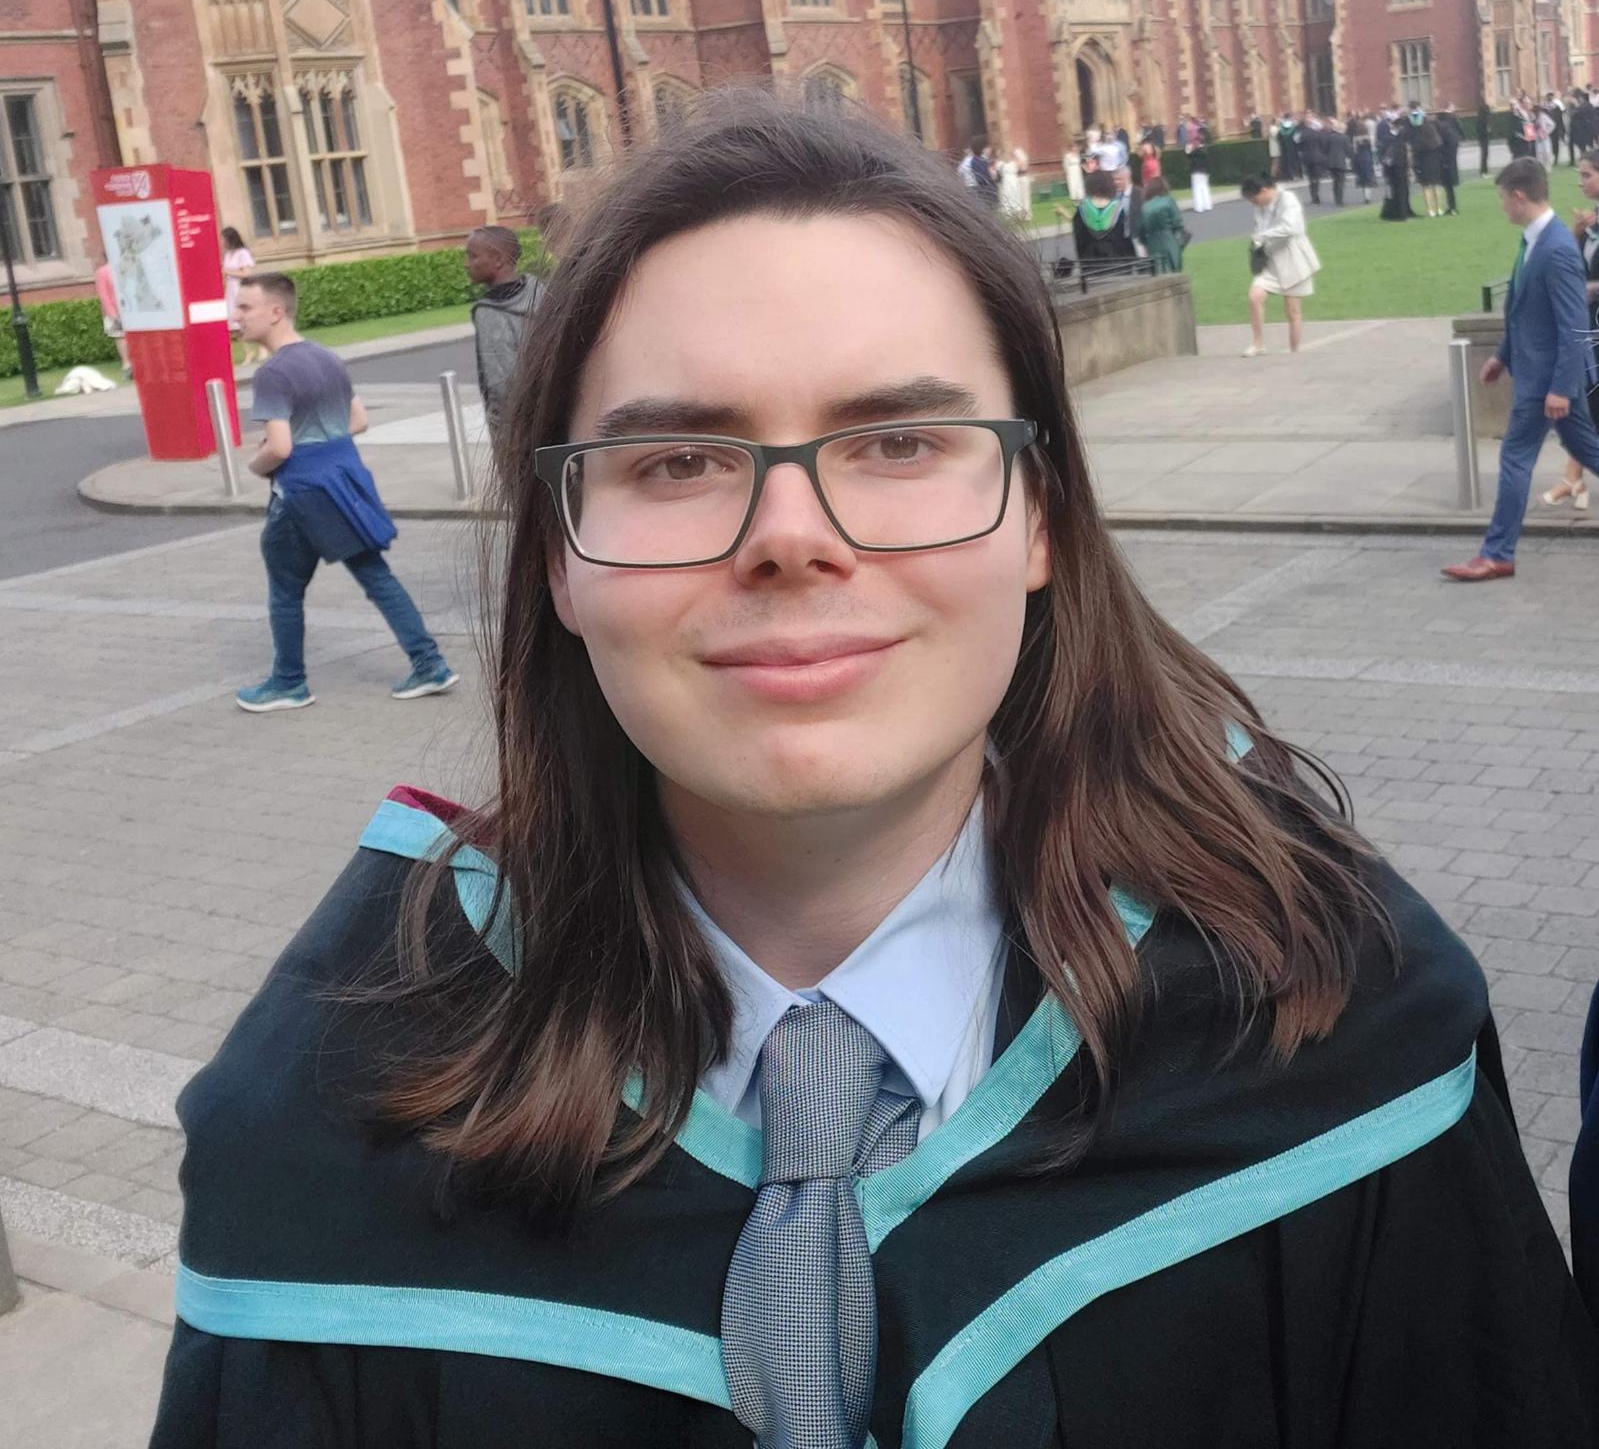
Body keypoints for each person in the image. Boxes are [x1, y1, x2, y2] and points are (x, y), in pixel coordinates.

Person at [148, 90, 1599, 1449]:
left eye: (900, 438)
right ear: (560, 559)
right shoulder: (327, 1142)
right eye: (675, 462)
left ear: (1039, 520)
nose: (791, 532)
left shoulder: (1332, 1032)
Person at [232, 272, 459, 710]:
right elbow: (358, 421)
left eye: (245, 307)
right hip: (345, 481)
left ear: (275, 312)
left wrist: (255, 463)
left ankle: (288, 683)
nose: (236, 316)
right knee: (376, 575)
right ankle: (430, 663)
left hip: (301, 493)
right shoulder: (326, 357)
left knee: (285, 589)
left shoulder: (273, 373)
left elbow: (278, 447)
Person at [1443, 159, 1599, 581]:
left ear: (1518, 196)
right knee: (1589, 451)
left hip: (1547, 382)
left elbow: (1574, 326)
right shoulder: (1536, 241)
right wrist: (1501, 355)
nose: (1501, 208)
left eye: (1502, 199)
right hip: (1538, 373)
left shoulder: (1557, 248)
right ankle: (1498, 552)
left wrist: (1562, 388)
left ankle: (1497, 554)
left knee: (1514, 458)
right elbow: (1522, 312)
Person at [1538, 145, 1599, 511]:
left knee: (1588, 406)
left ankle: (1572, 479)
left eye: (1586, 174)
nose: (1580, 182)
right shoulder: (1592, 221)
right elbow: (1579, 271)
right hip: (1589, 330)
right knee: (1589, 405)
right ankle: (1573, 479)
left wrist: (1592, 289)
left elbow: (1588, 282)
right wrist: (1577, 234)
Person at [466, 224, 543, 450]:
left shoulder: (489, 313)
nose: (466, 264)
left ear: (498, 260)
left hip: (518, 437)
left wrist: (505, 442)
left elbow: (501, 387)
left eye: (473, 256)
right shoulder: (545, 295)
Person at [1241, 175, 1320, 358]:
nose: (1254, 203)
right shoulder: (1259, 208)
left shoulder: (1287, 199)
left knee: (1292, 311)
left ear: (1264, 190)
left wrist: (1262, 237)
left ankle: (1294, 352)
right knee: (1255, 296)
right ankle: (1258, 343)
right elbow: (1259, 230)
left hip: (1293, 257)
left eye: (1254, 199)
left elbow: (1291, 228)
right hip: (1271, 257)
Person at [1071, 166, 1134, 264]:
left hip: (1091, 264)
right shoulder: (1118, 209)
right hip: (1117, 264)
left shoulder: (1082, 210)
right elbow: (1125, 239)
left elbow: (1079, 242)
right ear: (1110, 185)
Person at [221, 226, 259, 364]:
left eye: (223, 239)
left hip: (240, 289)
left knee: (246, 320)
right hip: (230, 291)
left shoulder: (242, 253)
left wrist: (228, 272)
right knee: (234, 323)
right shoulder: (227, 254)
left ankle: (260, 348)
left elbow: (246, 273)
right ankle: (248, 351)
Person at [94, 256, 131, 381]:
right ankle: (126, 364)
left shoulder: (128, 267)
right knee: (120, 337)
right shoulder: (102, 272)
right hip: (114, 310)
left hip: (129, 309)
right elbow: (103, 295)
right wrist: (112, 314)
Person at [1139, 175, 1185, 273]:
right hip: (1169, 241)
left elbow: (1141, 232)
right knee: (1174, 272)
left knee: (1157, 273)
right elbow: (1177, 223)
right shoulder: (1168, 201)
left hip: (1152, 245)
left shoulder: (1144, 207)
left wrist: (1146, 243)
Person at [1408, 105, 1445, 218]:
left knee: (1426, 186)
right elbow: (1438, 144)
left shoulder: (1414, 132)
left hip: (1423, 161)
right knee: (1435, 185)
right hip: (1433, 160)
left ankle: (1430, 210)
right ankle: (1439, 208)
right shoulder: (1430, 128)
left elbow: (1414, 148)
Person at [1379, 112, 1415, 222]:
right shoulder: (1397, 137)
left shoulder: (1393, 137)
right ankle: (1402, 213)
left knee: (1401, 190)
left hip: (1395, 166)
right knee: (1400, 190)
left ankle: (1403, 212)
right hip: (1397, 166)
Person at [1437, 105, 1463, 216]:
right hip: (1449, 162)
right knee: (1449, 187)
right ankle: (1451, 207)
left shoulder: (1443, 131)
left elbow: (1444, 147)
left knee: (1448, 186)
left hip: (1446, 163)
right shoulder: (1450, 130)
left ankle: (1451, 207)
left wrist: (1444, 161)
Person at [1113, 164, 1145, 253]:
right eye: (1114, 179)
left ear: (1128, 177)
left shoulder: (1140, 194)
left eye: (1119, 179)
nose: (1116, 182)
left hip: (1137, 240)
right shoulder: (1114, 197)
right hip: (1120, 242)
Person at [997, 146, 1033, 226]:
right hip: (1012, 181)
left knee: (1015, 197)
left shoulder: (1003, 164)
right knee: (1013, 197)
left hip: (1010, 181)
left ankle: (1022, 215)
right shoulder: (1009, 164)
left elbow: (1022, 165)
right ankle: (1018, 215)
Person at [1351, 113, 1376, 204]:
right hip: (1367, 157)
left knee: (1362, 177)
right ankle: (1367, 196)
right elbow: (1372, 148)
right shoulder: (1369, 138)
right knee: (1368, 177)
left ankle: (1365, 195)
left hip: (1359, 158)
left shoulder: (1355, 139)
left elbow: (1354, 150)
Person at [1323, 121, 1350, 206]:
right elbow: (1348, 150)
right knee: (1341, 182)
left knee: (1335, 181)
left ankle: (1336, 199)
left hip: (1331, 162)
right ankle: (1340, 200)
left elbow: (1325, 149)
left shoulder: (1329, 137)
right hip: (1341, 162)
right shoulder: (1345, 138)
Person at [1186, 130, 1213, 212]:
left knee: (1197, 189)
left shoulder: (1196, 152)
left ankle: (1199, 207)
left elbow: (1189, 156)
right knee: (1205, 188)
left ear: (1198, 142)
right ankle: (1207, 205)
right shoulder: (1205, 150)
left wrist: (1188, 150)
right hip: (1204, 171)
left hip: (1196, 171)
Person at [1477, 101, 1492, 175]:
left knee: (1485, 154)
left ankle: (1484, 170)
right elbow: (1481, 129)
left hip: (1484, 138)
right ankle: (1483, 171)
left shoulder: (1483, 119)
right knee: (1484, 154)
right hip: (1483, 138)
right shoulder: (1483, 120)